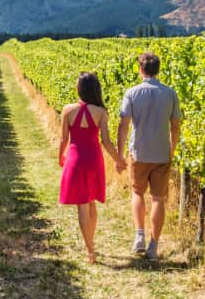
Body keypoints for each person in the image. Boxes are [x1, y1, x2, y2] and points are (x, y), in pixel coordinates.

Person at [116, 52, 182, 260]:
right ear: (158, 69)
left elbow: (123, 124)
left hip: (139, 152)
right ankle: (153, 245)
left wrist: (119, 154)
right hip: (162, 152)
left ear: (140, 69)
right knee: (158, 199)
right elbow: (175, 126)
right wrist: (171, 150)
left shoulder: (132, 93)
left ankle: (139, 236)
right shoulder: (170, 94)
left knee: (137, 193)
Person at [59, 72, 125, 264]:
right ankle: (91, 242)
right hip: (94, 159)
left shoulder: (67, 110)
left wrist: (60, 156)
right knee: (92, 201)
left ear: (79, 89)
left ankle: (90, 250)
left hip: (75, 158)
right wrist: (118, 160)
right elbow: (106, 141)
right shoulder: (101, 112)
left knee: (82, 203)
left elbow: (63, 139)